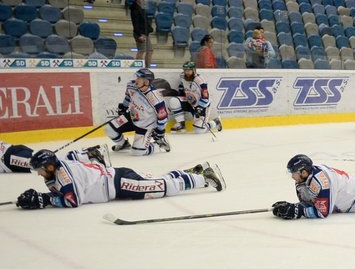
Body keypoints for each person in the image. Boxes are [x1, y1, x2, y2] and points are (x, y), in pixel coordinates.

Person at [14, 149, 223, 210]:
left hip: (118, 183)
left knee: (161, 188)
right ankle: (195, 171)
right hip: (116, 179)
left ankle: (203, 179)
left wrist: (45, 200)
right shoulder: (58, 168)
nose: (39, 174)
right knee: (155, 183)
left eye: (40, 170)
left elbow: (72, 201)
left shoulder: (63, 175)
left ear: (50, 167)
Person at [105, 68, 171, 155]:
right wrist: (123, 108)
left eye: (139, 78)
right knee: (109, 129)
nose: (136, 80)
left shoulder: (155, 96)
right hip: (133, 117)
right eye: (137, 77)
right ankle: (123, 144)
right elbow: (128, 97)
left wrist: (160, 131)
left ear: (146, 82)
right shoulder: (131, 85)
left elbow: (163, 116)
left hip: (146, 125)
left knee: (137, 152)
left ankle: (157, 145)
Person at [170, 61, 221, 134]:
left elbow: (205, 98)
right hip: (189, 102)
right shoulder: (182, 76)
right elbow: (182, 85)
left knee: (199, 131)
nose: (186, 72)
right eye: (185, 70)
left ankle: (215, 122)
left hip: (201, 106)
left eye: (188, 70)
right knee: (174, 101)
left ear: (194, 70)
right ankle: (181, 124)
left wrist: (199, 108)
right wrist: (181, 91)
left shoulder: (201, 82)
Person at [1, 141, 107, 173]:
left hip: (9, 158)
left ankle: (87, 156)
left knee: (43, 164)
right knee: (43, 163)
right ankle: (85, 155)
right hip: (11, 154)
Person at [130, 0, 152, 66]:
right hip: (140, 32)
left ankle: (147, 67)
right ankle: (137, 66)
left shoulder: (142, 8)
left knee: (150, 50)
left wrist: (149, 28)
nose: (143, 0)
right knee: (141, 50)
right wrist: (139, 34)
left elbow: (145, 20)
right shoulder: (135, 9)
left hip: (145, 32)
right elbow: (135, 23)